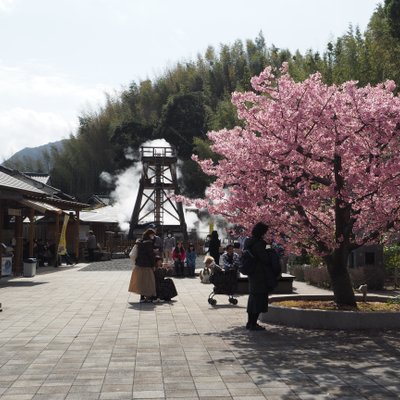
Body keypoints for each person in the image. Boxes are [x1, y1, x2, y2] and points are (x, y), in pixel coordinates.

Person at [244, 222, 281, 331]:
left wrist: (267, 245)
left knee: (253, 299)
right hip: (260, 275)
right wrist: (270, 247)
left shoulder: (249, 241)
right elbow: (265, 258)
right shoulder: (259, 244)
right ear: (262, 232)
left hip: (253, 274)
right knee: (258, 299)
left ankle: (250, 323)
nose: (266, 234)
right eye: (265, 232)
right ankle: (253, 324)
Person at [128, 229, 157, 303]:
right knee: (149, 282)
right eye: (152, 235)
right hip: (147, 265)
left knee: (140, 282)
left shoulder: (139, 242)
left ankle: (142, 298)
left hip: (139, 264)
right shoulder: (149, 243)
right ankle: (149, 297)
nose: (153, 236)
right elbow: (151, 255)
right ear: (149, 234)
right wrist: (153, 264)